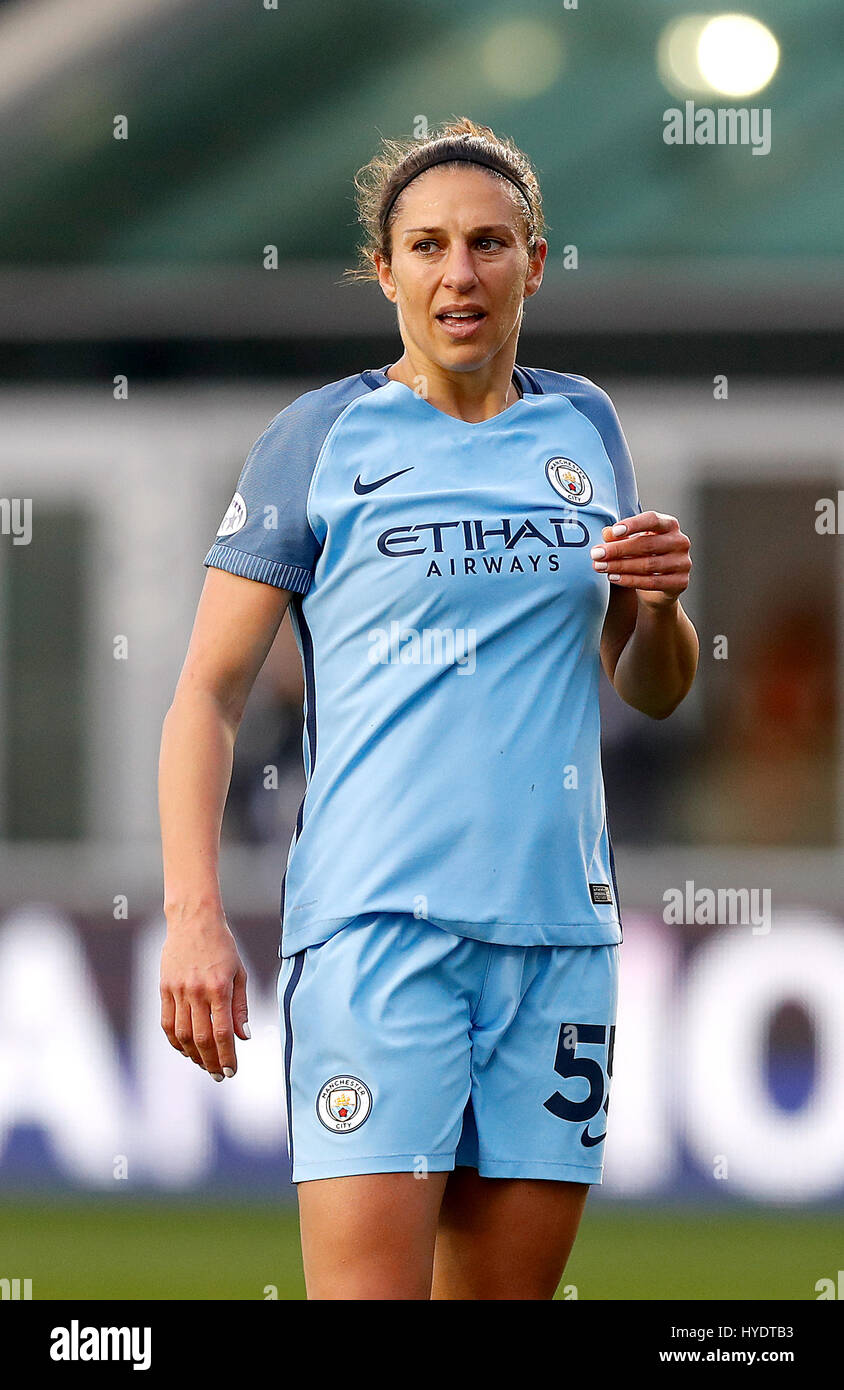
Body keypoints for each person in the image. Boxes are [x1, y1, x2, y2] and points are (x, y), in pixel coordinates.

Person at [158, 116, 698, 1300]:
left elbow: (649, 688)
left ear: (535, 262)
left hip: (558, 939)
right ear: (386, 268)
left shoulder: (584, 427)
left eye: (490, 244)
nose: (461, 273)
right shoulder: (320, 438)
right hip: (375, 934)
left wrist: (659, 610)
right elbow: (205, 692)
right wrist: (194, 915)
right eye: (430, 245)